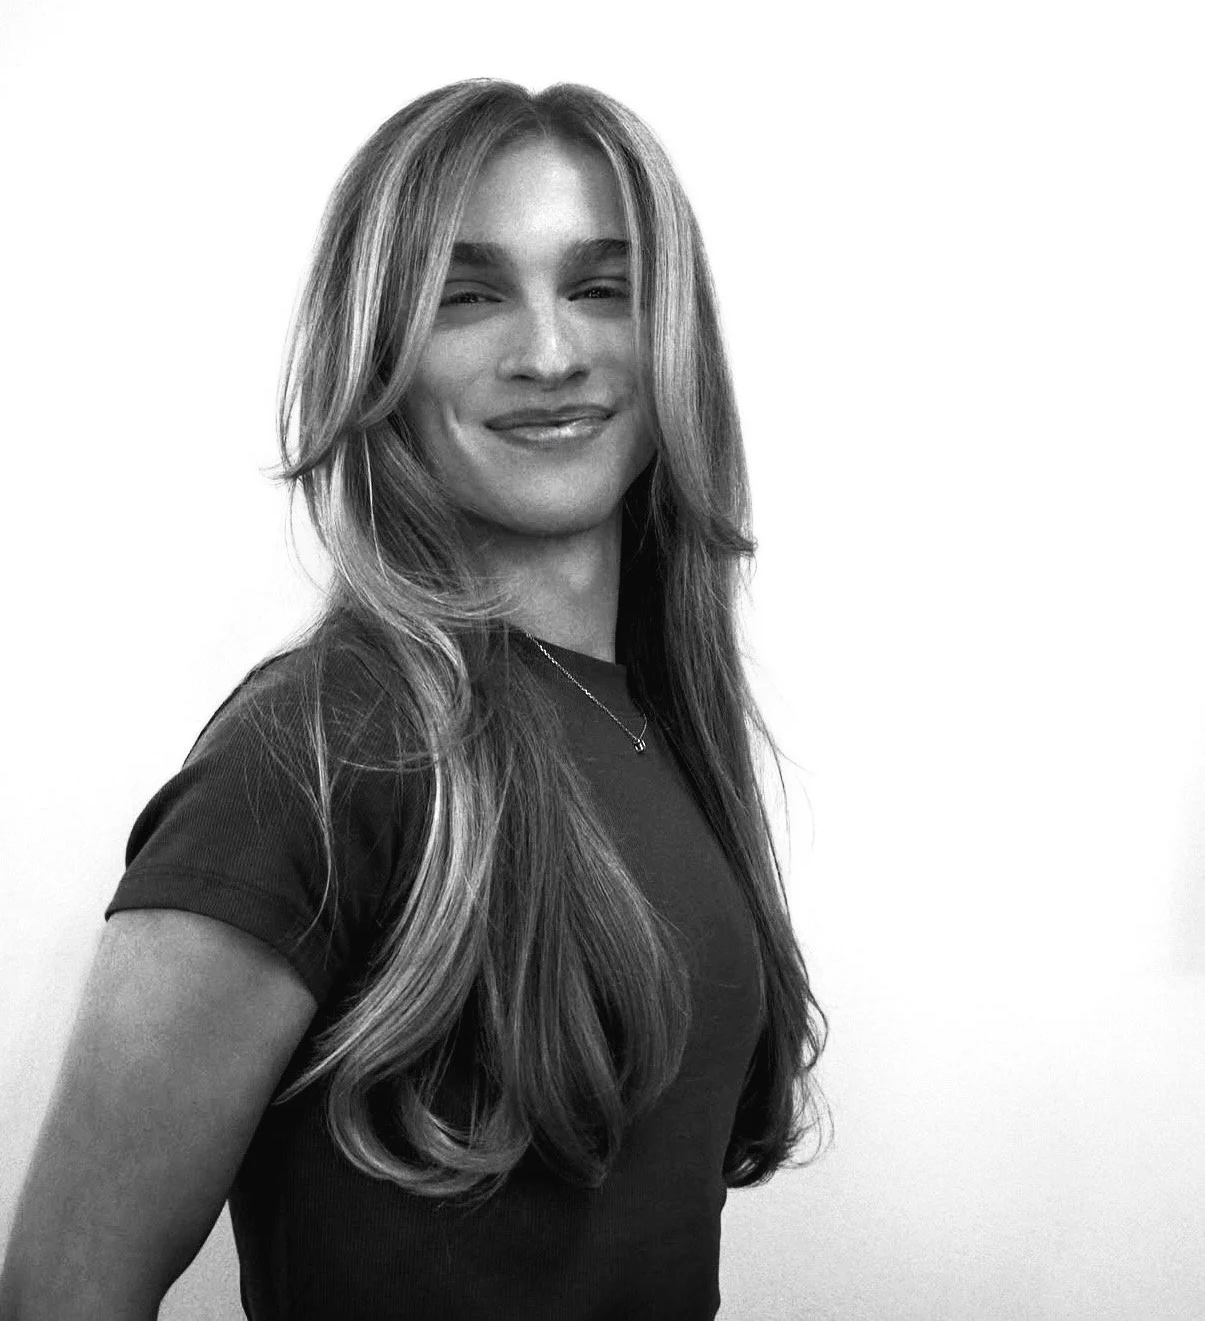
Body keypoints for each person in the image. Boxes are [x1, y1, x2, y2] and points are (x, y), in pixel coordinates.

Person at [0, 79, 830, 1321]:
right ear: (377, 347)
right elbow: (66, 1290)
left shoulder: (655, 719)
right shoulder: (322, 749)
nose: (549, 352)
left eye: (601, 285)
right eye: (467, 292)